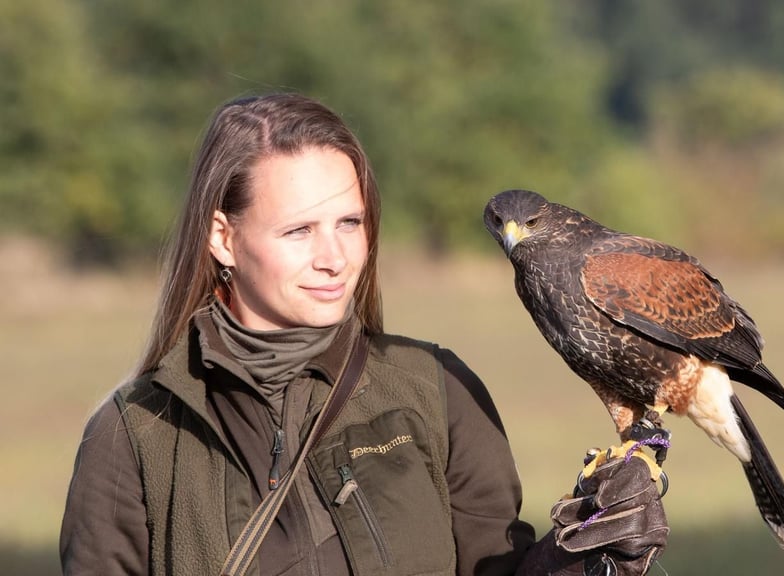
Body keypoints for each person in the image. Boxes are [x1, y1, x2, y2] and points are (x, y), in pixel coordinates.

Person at [59, 93, 668, 576]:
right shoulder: (134, 435)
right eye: (298, 231)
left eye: (349, 222)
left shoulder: (436, 392)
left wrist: (583, 556)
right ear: (223, 238)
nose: (335, 257)